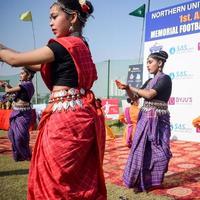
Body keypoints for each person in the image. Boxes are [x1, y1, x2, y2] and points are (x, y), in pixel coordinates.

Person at [0, 0, 106, 199]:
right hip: (80, 117)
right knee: (72, 178)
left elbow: (15, 60)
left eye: (54, 16)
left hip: (64, 121)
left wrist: (4, 53)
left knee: (56, 180)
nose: (50, 22)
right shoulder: (81, 45)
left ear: (73, 17)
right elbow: (23, 59)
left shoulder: (62, 46)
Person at [115, 50, 172, 192]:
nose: (147, 65)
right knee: (141, 150)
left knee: (162, 152)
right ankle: (139, 181)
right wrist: (127, 89)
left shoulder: (165, 79)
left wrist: (131, 87)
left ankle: (153, 180)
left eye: (150, 62)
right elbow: (134, 98)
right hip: (145, 118)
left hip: (159, 120)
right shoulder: (149, 81)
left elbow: (149, 94)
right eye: (147, 62)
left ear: (160, 63)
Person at [0, 68, 35, 161]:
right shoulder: (22, 85)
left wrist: (6, 85)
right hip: (16, 111)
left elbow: (8, 91)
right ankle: (19, 155)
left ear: (28, 75)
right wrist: (6, 86)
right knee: (12, 134)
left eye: (22, 73)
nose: (20, 75)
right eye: (20, 73)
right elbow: (14, 91)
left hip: (23, 113)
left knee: (21, 136)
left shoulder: (27, 85)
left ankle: (26, 154)